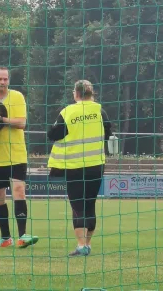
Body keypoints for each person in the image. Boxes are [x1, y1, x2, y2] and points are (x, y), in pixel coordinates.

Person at [47, 80, 112, 257]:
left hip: (75, 167)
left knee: (78, 206)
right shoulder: (100, 111)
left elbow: (52, 134)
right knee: (90, 205)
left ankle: (81, 245)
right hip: (96, 166)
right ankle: (88, 244)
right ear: (92, 94)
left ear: (75, 93)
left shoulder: (68, 112)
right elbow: (108, 132)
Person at [0, 66, 38, 248]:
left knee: (19, 191)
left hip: (17, 154)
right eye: (0, 79)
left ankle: (23, 235)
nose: (3, 82)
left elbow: (22, 123)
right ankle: (6, 238)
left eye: (5, 79)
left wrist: (0, 119)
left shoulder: (17, 97)